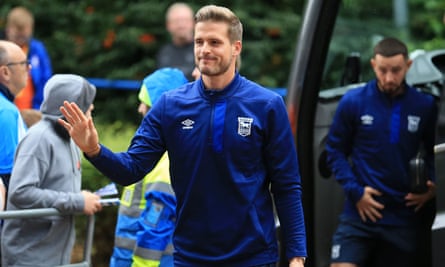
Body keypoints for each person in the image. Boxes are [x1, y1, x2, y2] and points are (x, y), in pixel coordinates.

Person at [59, 5, 307, 266]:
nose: (205, 50)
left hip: (253, 257)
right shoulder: (169, 106)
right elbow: (131, 169)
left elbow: (286, 185)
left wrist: (296, 255)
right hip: (191, 258)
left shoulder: (267, 105)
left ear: (236, 48)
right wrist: (94, 150)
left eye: (214, 42)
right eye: (199, 41)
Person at [326, 37, 438, 267]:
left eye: (396, 71)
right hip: (359, 213)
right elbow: (335, 151)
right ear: (373, 65)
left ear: (407, 66)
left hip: (403, 216)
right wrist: (356, 191)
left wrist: (431, 187)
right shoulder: (353, 102)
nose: (389, 78)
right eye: (383, 70)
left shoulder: (424, 105)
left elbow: (431, 154)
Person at [1, 74, 103, 267]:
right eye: (87, 103)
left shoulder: (71, 139)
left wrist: (83, 199)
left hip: (55, 256)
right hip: (30, 257)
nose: (92, 108)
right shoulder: (39, 139)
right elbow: (20, 192)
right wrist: (77, 201)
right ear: (73, 109)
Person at [110, 68, 188, 267]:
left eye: (145, 101)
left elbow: (157, 222)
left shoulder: (166, 157)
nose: (140, 109)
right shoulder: (158, 150)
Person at [1, 6, 53, 110]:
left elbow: (45, 80)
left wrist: (39, 109)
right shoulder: (1, 48)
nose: (20, 39)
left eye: (24, 35)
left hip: (32, 110)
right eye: (17, 35)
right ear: (8, 29)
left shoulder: (37, 49)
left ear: (30, 29)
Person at [0, 40, 29, 199]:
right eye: (24, 63)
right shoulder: (6, 111)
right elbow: (8, 178)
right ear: (5, 72)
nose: (29, 68)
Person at [156, 3, 195, 81]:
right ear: (168, 25)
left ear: (193, 23)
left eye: (185, 20)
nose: (181, 25)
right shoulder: (163, 53)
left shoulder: (203, 50)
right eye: (176, 21)